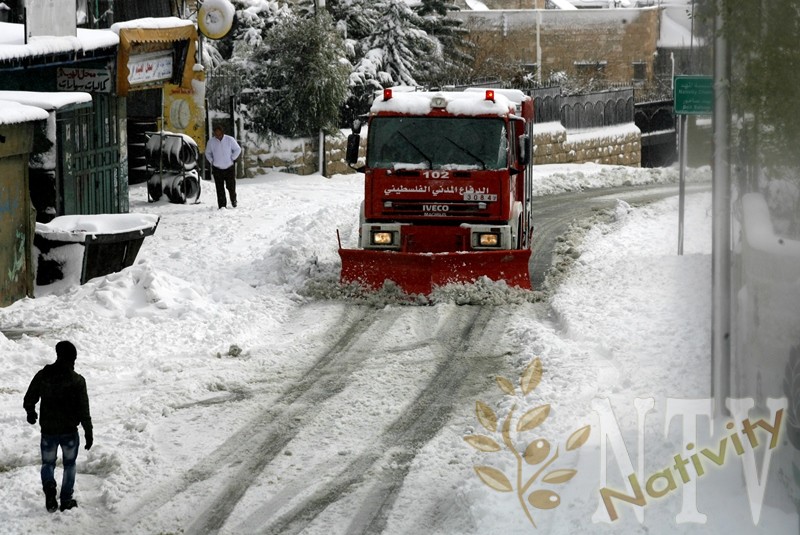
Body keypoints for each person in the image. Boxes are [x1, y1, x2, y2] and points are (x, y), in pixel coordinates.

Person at [23, 341, 93, 513]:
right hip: (69, 431)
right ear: (71, 358)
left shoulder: (43, 375)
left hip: (48, 431)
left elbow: (29, 398)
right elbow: (84, 409)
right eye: (74, 358)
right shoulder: (77, 381)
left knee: (48, 464)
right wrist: (88, 430)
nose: (75, 362)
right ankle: (66, 500)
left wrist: (30, 412)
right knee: (70, 464)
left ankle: (49, 487)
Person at [205, 125, 242, 209]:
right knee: (219, 188)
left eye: (219, 134)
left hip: (229, 167)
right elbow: (207, 153)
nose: (218, 136)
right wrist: (212, 161)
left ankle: (233, 200)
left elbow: (237, 149)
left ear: (222, 133)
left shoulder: (230, 140)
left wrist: (232, 158)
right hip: (217, 168)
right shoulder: (211, 142)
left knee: (231, 186)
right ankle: (222, 205)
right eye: (216, 134)